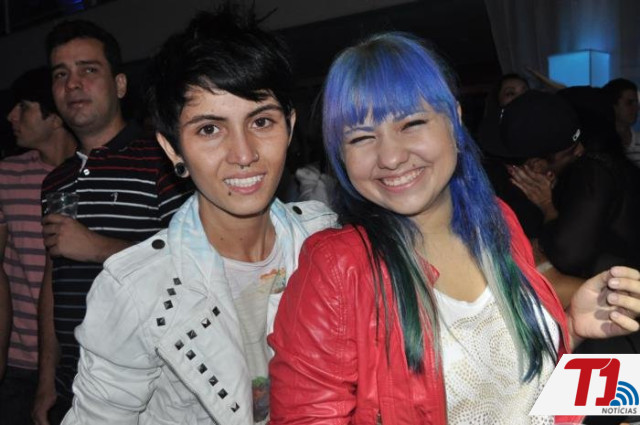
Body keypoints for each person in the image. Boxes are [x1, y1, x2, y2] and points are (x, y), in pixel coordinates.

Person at [268, 33, 640, 424]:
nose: (390, 156)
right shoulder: (336, 268)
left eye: (412, 123)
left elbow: (521, 391)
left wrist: (570, 329)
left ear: (454, 121)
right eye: (361, 137)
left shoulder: (496, 220)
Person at [60, 9, 335, 425]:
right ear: (173, 149)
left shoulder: (326, 240)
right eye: (209, 129)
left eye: (262, 121)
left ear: (290, 127)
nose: (243, 154)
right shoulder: (138, 290)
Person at [32, 20, 192, 425]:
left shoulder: (163, 161)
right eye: (60, 74)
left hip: (150, 392)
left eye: (88, 69)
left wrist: (97, 248)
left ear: (120, 85)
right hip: (72, 384)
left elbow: (195, 265)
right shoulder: (56, 180)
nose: (72, 84)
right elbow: (53, 281)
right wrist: (46, 381)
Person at [0, 67, 76, 425]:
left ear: (56, 116)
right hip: (15, 363)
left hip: (81, 361)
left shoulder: (94, 174)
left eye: (24, 107)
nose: (11, 116)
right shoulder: (5, 175)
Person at [602, 78, 640, 168]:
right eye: (629, 103)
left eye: (636, 103)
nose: (636, 108)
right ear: (613, 106)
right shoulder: (600, 146)